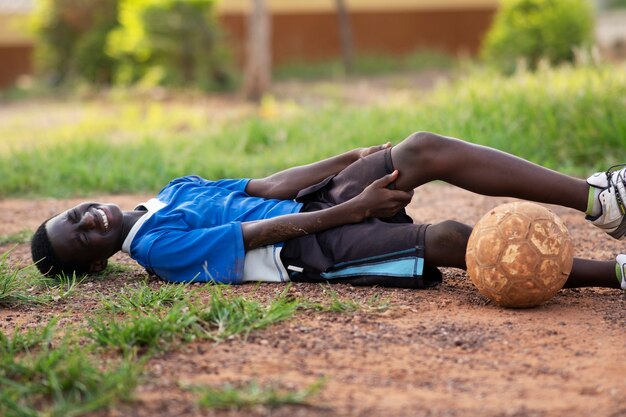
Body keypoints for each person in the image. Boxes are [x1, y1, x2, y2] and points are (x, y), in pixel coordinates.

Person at [31, 132, 626, 290]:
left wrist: (352, 158)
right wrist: (354, 210)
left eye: (75, 214)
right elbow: (260, 230)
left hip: (311, 203)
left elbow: (269, 186)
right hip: (304, 249)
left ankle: (601, 200)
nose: (88, 220)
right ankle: (616, 272)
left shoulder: (173, 189)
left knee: (419, 148)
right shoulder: (157, 250)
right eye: (80, 238)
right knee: (446, 237)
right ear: (98, 261)